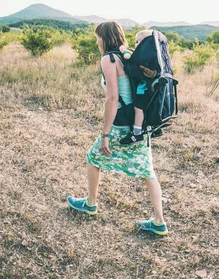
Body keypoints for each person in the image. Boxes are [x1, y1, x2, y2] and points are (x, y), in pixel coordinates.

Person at [67, 22, 168, 236]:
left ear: (105, 37)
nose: (96, 42)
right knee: (148, 171)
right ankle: (159, 222)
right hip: (139, 125)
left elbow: (112, 99)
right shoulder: (129, 55)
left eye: (98, 37)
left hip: (121, 123)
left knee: (93, 158)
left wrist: (105, 134)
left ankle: (91, 203)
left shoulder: (109, 59)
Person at [119, 29, 153, 145]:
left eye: (140, 42)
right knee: (144, 109)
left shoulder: (142, 56)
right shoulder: (152, 55)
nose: (137, 44)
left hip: (142, 90)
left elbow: (128, 57)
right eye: (136, 41)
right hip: (150, 89)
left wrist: (123, 49)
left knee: (138, 109)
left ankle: (137, 133)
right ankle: (147, 127)